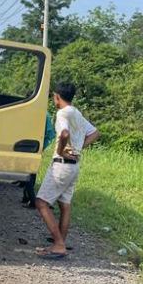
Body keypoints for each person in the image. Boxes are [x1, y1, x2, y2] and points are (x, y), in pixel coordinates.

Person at [35, 82, 99, 259]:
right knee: (65, 206)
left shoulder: (62, 113)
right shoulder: (76, 113)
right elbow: (94, 133)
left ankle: (58, 244)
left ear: (57, 96)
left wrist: (63, 150)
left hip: (61, 164)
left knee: (41, 203)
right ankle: (58, 244)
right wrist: (78, 149)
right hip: (74, 166)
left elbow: (64, 134)